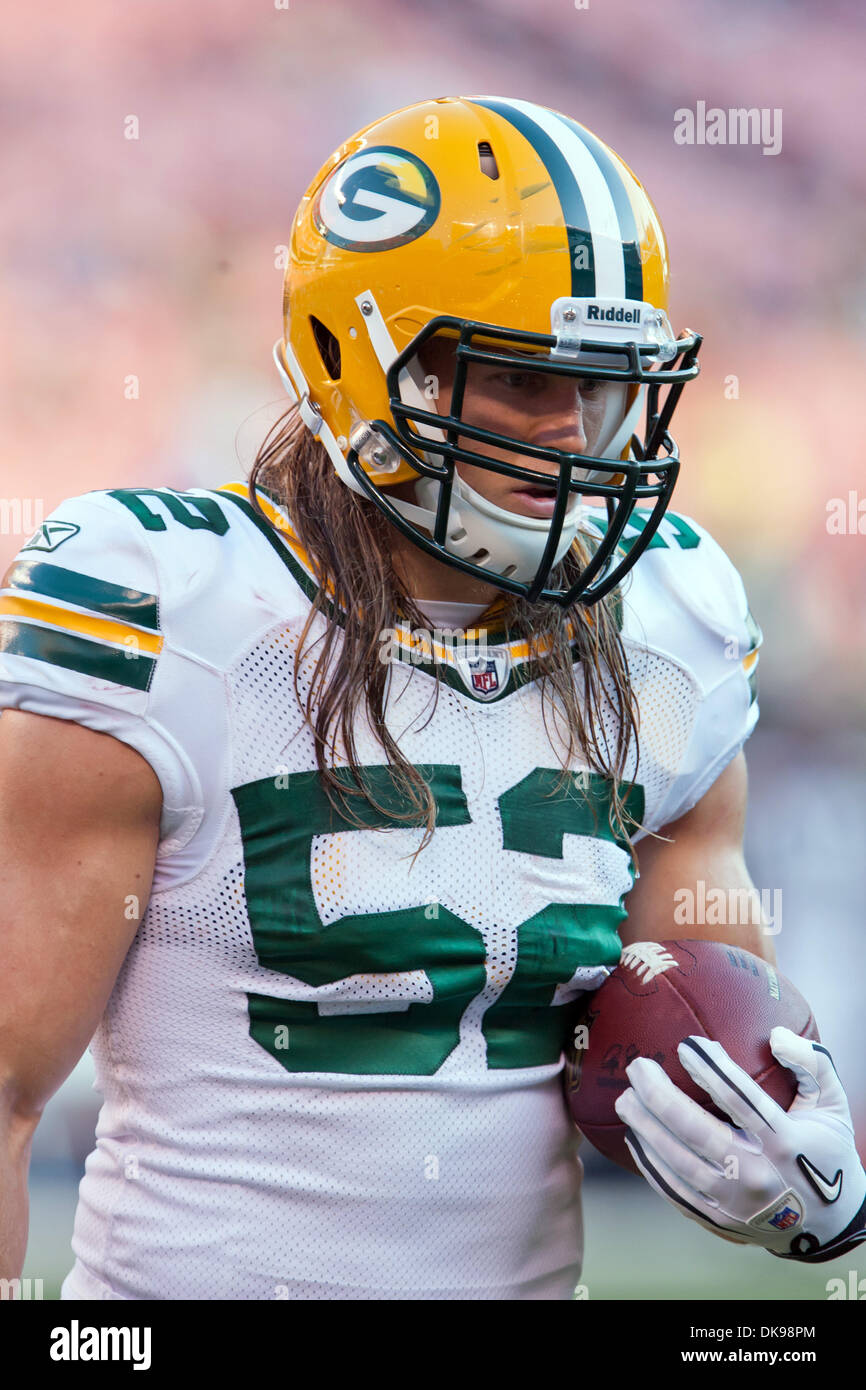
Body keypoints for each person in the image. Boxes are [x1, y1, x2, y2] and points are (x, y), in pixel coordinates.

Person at [0, 95, 863, 1301]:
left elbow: (714, 1057)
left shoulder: (673, 619)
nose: (573, 435)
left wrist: (794, 1179)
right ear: (358, 360)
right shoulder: (169, 605)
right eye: (519, 378)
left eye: (604, 387)